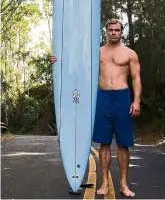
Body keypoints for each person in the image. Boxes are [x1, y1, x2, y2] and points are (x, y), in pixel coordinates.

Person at [50, 18, 141, 197]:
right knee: (104, 142)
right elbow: (77, 66)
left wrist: (136, 101)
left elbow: (136, 78)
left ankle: (123, 184)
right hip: (103, 98)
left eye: (117, 30)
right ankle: (104, 182)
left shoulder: (130, 54)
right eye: (111, 30)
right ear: (106, 31)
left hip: (122, 98)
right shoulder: (96, 53)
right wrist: (58, 60)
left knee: (123, 144)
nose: (114, 33)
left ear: (121, 32)